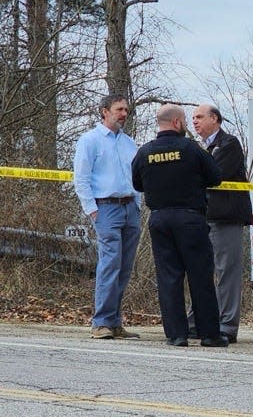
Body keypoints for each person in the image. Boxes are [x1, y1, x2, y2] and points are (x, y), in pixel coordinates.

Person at [131, 103, 227, 348]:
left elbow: (137, 184)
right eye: (185, 120)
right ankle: (209, 335)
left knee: (169, 278)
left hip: (160, 220)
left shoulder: (145, 152)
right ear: (177, 122)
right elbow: (215, 177)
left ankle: (176, 335)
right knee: (200, 277)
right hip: (190, 219)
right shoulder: (191, 149)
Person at [73, 94, 143, 340]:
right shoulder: (89, 141)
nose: (124, 113)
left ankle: (114, 322)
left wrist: (137, 203)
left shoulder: (129, 143)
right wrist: (92, 210)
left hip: (129, 209)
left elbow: (136, 178)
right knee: (110, 263)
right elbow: (81, 179)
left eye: (126, 109)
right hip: (105, 208)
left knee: (124, 267)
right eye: (119, 109)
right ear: (105, 111)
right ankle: (100, 322)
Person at [186, 104, 253, 344]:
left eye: (199, 117)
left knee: (227, 272)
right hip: (203, 217)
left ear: (214, 119)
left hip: (225, 217)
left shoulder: (229, 144)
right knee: (200, 271)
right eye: (192, 118)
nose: (194, 122)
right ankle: (196, 322)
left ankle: (227, 325)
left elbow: (215, 175)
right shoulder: (200, 147)